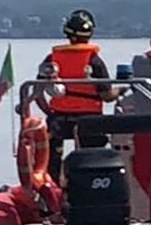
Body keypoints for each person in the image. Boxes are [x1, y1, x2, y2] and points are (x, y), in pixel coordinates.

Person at [36, 10, 121, 183]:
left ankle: (53, 188)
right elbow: (107, 96)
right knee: (95, 158)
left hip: (59, 119)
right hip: (90, 120)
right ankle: (93, 184)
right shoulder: (94, 60)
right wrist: (121, 90)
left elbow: (38, 93)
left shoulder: (51, 59)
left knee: (52, 158)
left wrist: (50, 112)